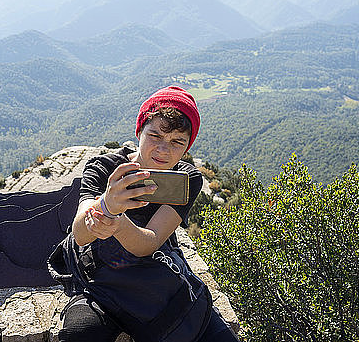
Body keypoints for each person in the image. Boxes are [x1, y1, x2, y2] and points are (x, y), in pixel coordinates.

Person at [57, 86, 239, 342]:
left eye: (177, 142)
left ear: (187, 146)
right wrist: (106, 205)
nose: (164, 150)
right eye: (155, 136)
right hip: (101, 273)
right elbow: (80, 233)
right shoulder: (106, 168)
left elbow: (150, 241)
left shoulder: (186, 179)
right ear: (139, 131)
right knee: (81, 333)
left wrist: (118, 224)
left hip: (152, 267)